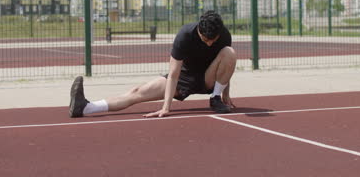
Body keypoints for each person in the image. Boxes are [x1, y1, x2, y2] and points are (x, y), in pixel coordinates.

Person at [69, 10, 237, 118]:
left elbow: (227, 66)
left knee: (230, 52)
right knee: (136, 92)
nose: (208, 43)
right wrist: (166, 107)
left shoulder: (224, 36)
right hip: (183, 78)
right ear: (199, 29)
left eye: (212, 40)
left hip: (208, 78)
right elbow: (173, 74)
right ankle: (86, 108)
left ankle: (215, 99)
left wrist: (224, 94)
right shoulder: (185, 35)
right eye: (205, 39)